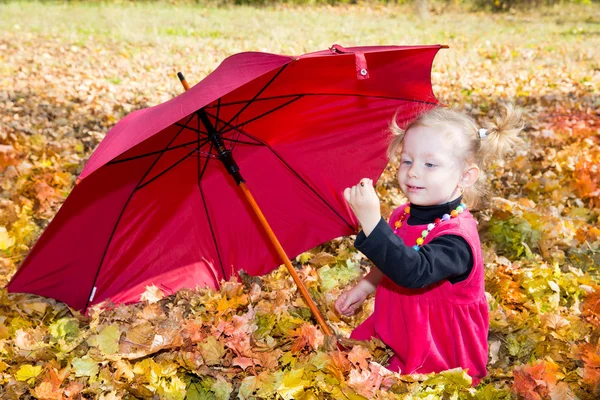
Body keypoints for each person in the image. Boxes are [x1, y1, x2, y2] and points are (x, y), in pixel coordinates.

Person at [335, 104, 525, 386]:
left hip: (437, 344)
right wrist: (366, 286)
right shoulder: (402, 215)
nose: (413, 172)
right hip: (397, 324)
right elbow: (395, 259)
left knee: (402, 383)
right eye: (407, 160)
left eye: (430, 164)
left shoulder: (457, 238)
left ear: (465, 177)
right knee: (347, 359)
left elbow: (415, 272)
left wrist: (373, 224)